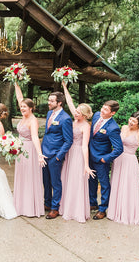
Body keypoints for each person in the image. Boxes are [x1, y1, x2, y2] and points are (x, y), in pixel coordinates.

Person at [59, 82, 95, 223]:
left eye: (79, 112)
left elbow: (85, 146)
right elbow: (70, 102)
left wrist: (86, 165)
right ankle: (66, 207)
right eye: (76, 111)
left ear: (85, 115)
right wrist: (65, 87)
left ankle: (76, 210)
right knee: (65, 179)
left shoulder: (85, 126)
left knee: (76, 181)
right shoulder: (74, 119)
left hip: (78, 155)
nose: (75, 112)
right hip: (69, 152)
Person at [13, 83, 46, 217]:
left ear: (31, 108)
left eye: (24, 107)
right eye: (21, 107)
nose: (22, 108)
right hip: (20, 150)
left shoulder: (33, 120)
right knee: (21, 176)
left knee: (28, 176)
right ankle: (20, 205)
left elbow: (34, 137)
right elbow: (19, 97)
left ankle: (30, 207)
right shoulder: (24, 116)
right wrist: (15, 82)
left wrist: (39, 155)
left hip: (29, 150)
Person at [89, 100, 124, 220]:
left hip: (101, 159)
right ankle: (92, 203)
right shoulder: (96, 115)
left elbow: (119, 149)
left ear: (112, 113)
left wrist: (105, 159)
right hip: (90, 155)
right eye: (102, 107)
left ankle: (103, 209)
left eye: (105, 110)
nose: (102, 111)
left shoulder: (113, 128)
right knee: (91, 180)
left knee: (104, 184)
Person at [41, 91, 73, 219]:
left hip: (55, 155)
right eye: (49, 100)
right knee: (46, 181)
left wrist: (59, 156)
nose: (48, 103)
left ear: (59, 103)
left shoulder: (65, 119)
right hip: (44, 153)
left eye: (51, 101)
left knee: (55, 183)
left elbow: (68, 140)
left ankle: (55, 208)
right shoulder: (50, 113)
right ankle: (47, 203)